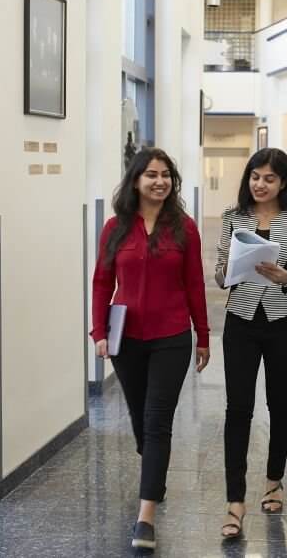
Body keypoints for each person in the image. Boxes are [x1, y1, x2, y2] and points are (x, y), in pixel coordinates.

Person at [90, 148, 211, 552]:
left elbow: (194, 283)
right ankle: (153, 477)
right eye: (151, 175)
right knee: (143, 423)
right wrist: (99, 331)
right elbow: (102, 281)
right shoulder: (115, 228)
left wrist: (204, 335)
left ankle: (146, 517)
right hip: (127, 340)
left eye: (166, 175)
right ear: (136, 180)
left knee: (158, 421)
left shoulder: (184, 228)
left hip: (171, 337)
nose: (160, 181)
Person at [214, 148, 287, 540]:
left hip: (283, 324)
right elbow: (220, 273)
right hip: (240, 321)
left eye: (269, 178)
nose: (260, 184)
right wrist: (226, 272)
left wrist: (283, 276)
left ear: (283, 182)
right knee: (237, 409)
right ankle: (234, 501)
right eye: (255, 176)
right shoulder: (233, 217)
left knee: (280, 404)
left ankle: (274, 480)